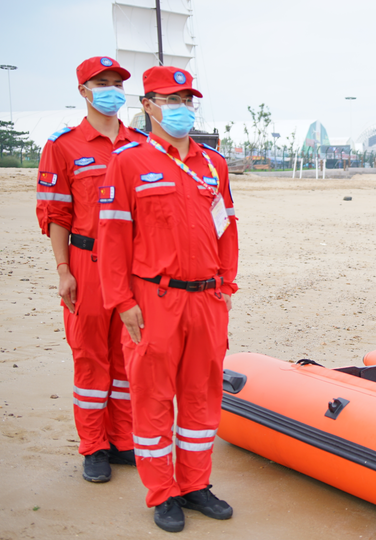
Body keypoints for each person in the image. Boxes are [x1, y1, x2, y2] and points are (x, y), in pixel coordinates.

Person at [97, 65, 239, 533]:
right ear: (149, 106)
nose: (182, 109)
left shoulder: (212, 163)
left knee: (202, 394)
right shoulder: (128, 161)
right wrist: (122, 302)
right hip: (152, 300)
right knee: (153, 397)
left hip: (207, 299)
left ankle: (196, 484)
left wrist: (226, 284)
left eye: (187, 100)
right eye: (171, 100)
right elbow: (113, 238)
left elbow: (227, 227)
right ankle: (163, 493)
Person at [36, 56, 143, 483]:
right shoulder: (62, 145)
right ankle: (94, 446)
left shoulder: (140, 144)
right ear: (83, 90)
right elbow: (56, 214)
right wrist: (64, 269)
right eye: (102, 82)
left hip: (135, 265)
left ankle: (123, 438)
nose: (111, 89)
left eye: (117, 82)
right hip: (88, 260)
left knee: (128, 353)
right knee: (90, 356)